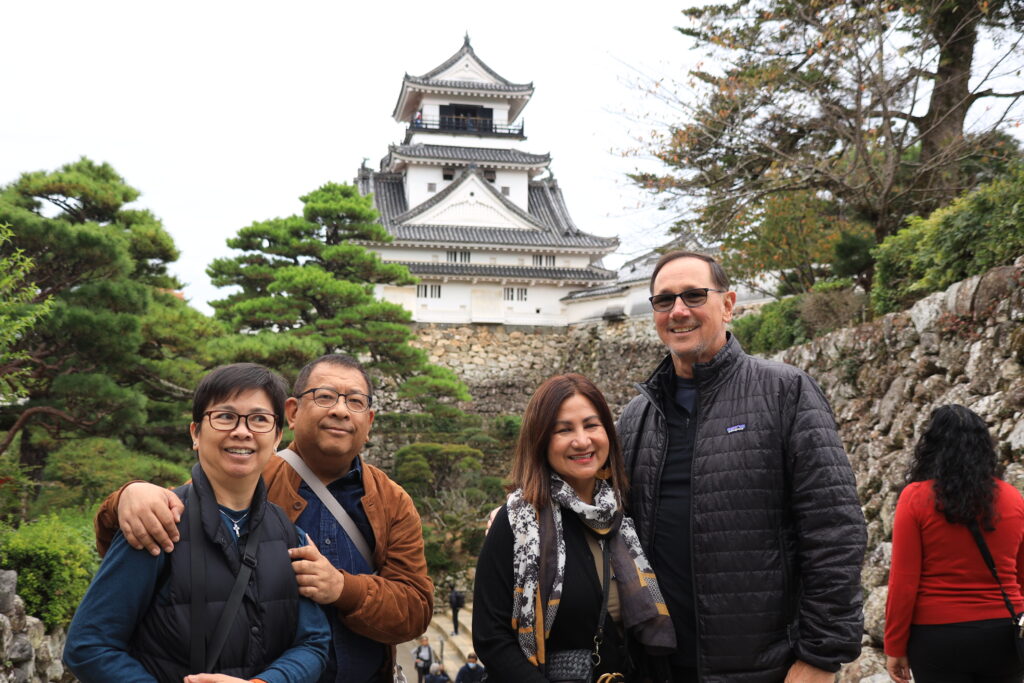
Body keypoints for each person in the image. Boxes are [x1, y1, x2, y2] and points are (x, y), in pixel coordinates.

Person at [93, 353, 433, 683]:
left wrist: (344, 588)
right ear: (293, 412)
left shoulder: (391, 500)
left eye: (355, 401)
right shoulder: (250, 472)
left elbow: (416, 610)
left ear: (369, 422)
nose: (341, 411)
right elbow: (166, 523)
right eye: (325, 396)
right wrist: (126, 496)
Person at [617, 251, 867, 681]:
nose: (678, 311)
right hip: (658, 667)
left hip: (765, 667)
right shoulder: (637, 416)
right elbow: (603, 516)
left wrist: (821, 657)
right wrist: (522, 514)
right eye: (664, 301)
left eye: (694, 296)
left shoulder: (784, 392)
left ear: (728, 304)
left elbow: (834, 529)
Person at [64, 363, 331, 683]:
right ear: (195, 433)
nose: (242, 431)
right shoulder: (159, 525)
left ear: (276, 438)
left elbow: (313, 642)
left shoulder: (291, 535)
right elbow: (88, 646)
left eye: (259, 419)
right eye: (225, 416)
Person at [473, 373, 675, 683]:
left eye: (592, 425)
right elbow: (491, 637)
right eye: (564, 430)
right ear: (541, 440)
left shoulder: (625, 513)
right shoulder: (519, 522)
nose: (582, 441)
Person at [884, 404, 1024, 683]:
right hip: (1004, 632)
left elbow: (904, 582)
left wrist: (895, 645)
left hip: (938, 638)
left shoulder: (915, 498)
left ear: (931, 447)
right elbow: (1022, 573)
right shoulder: (1013, 498)